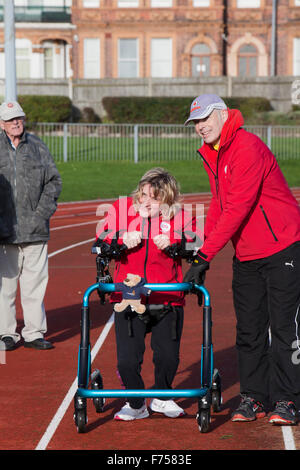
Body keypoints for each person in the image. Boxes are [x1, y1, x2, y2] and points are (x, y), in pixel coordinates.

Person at [184, 93, 300, 425]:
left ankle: (289, 400)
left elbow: (239, 207)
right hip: (247, 254)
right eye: (196, 123)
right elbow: (220, 204)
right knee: (248, 330)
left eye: (205, 119)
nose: (200, 128)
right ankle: (253, 398)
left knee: (284, 328)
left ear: (222, 115)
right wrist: (200, 253)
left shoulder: (247, 147)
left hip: (283, 248)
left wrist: (206, 255)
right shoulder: (214, 153)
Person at [96, 167, 202, 421]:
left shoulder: (182, 216)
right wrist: (122, 237)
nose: (146, 201)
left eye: (155, 198)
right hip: (129, 296)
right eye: (143, 194)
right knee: (127, 363)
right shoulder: (122, 209)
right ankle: (135, 403)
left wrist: (175, 242)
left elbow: (197, 241)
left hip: (167, 296)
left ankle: (163, 397)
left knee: (167, 356)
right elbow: (101, 236)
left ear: (168, 199)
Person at [0, 101, 62, 351]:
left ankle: (34, 333)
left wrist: (41, 214)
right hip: (4, 232)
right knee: (5, 286)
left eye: (20, 118)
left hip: (35, 230)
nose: (16, 122)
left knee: (34, 285)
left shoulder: (37, 146)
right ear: (1, 123)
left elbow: (54, 182)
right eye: (11, 119)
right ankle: (6, 333)